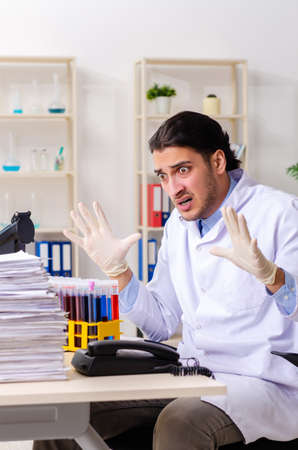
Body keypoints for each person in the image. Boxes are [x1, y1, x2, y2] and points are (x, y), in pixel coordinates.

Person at [34, 111, 298, 450]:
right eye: (163, 175)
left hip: (264, 382)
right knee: (63, 417)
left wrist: (272, 277)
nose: (173, 188)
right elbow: (160, 324)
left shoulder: (280, 213)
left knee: (182, 424)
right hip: (193, 374)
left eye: (183, 170)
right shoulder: (179, 225)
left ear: (217, 161)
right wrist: (119, 272)